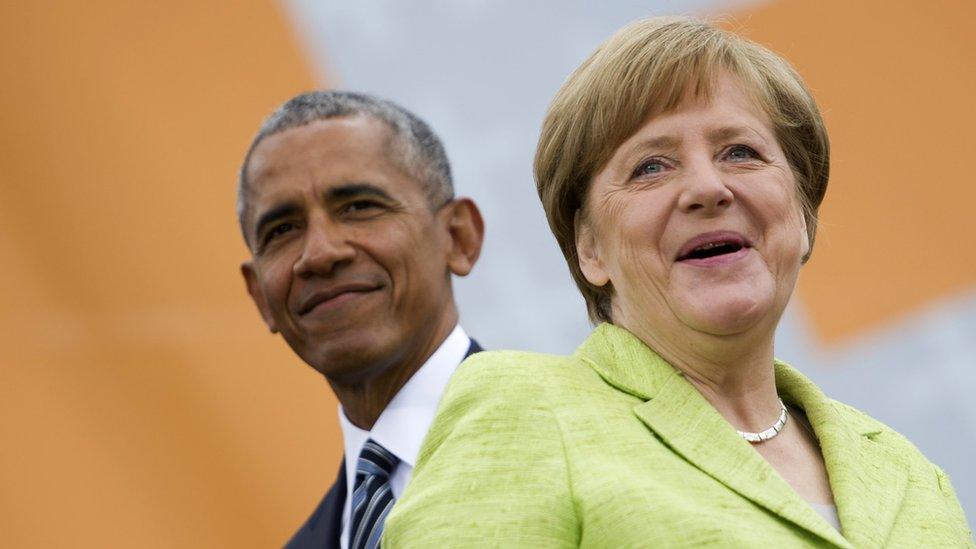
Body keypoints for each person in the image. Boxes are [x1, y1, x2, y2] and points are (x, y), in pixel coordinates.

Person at [383, 17, 973, 548]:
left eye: (741, 152)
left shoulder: (906, 470)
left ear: (802, 217)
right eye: (651, 166)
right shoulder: (524, 407)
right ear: (590, 248)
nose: (708, 188)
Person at [237, 90, 485, 549]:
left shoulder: (579, 438)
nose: (320, 254)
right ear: (260, 298)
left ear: (457, 236)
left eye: (359, 207)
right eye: (283, 230)